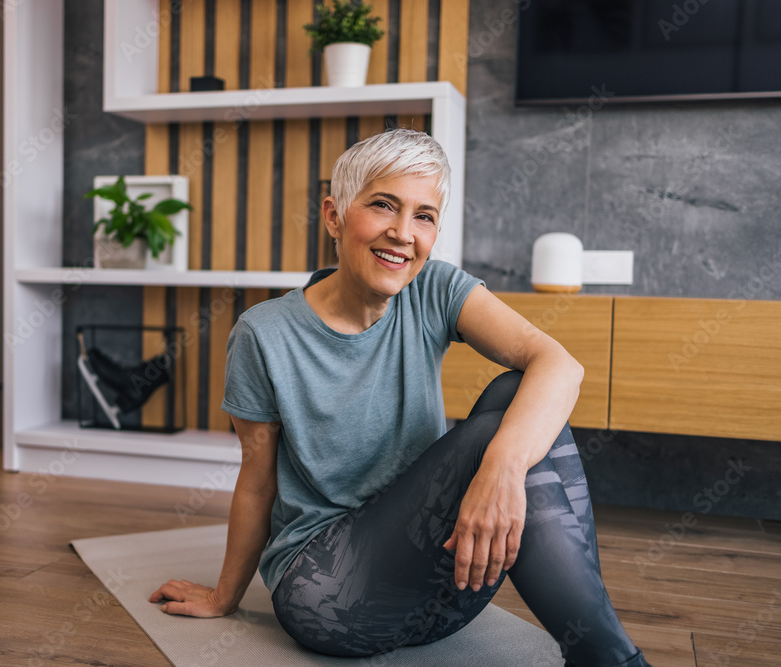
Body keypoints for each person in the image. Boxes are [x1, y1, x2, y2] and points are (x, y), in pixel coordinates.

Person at [149, 129, 650, 666]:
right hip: (330, 596)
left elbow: (560, 365)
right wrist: (225, 596)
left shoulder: (433, 288)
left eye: (424, 216)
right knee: (499, 424)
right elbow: (257, 479)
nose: (402, 233)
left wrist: (502, 469)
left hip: (443, 587)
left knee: (520, 397)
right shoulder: (263, 333)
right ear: (334, 216)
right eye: (383, 205)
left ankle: (601, 653)